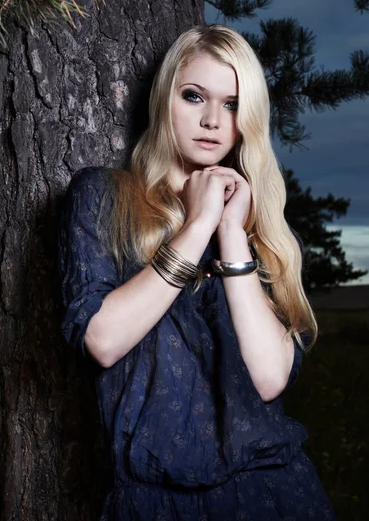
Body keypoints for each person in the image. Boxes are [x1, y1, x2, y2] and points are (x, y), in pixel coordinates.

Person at [57, 25, 336, 520]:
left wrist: (230, 231)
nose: (212, 120)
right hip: (153, 501)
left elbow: (271, 378)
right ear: (166, 99)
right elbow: (102, 340)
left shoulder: (257, 227)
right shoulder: (104, 195)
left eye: (231, 104)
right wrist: (198, 222)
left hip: (273, 494)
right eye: (194, 96)